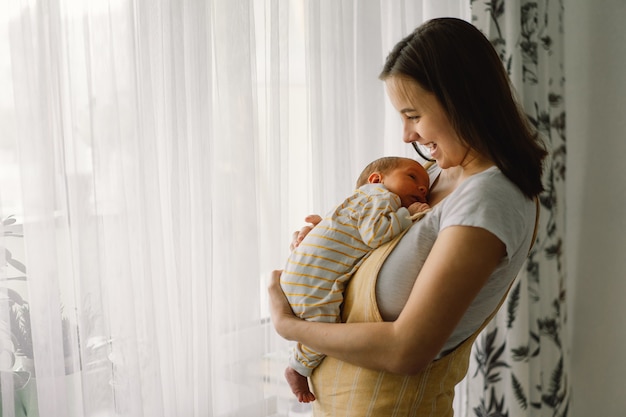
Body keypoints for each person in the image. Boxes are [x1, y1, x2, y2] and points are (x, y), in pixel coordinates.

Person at [268, 17, 546, 416]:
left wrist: (286, 325)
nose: (405, 135)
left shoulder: (489, 198)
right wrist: (331, 242)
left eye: (413, 115)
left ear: (462, 100)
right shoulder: (433, 176)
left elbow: (406, 350)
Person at [281, 156, 431, 403]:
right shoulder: (383, 197)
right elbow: (375, 235)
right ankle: (298, 367)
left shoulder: (358, 201)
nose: (423, 188)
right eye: (412, 177)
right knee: (322, 330)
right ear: (376, 180)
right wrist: (408, 215)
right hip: (312, 279)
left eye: (424, 185)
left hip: (300, 272)